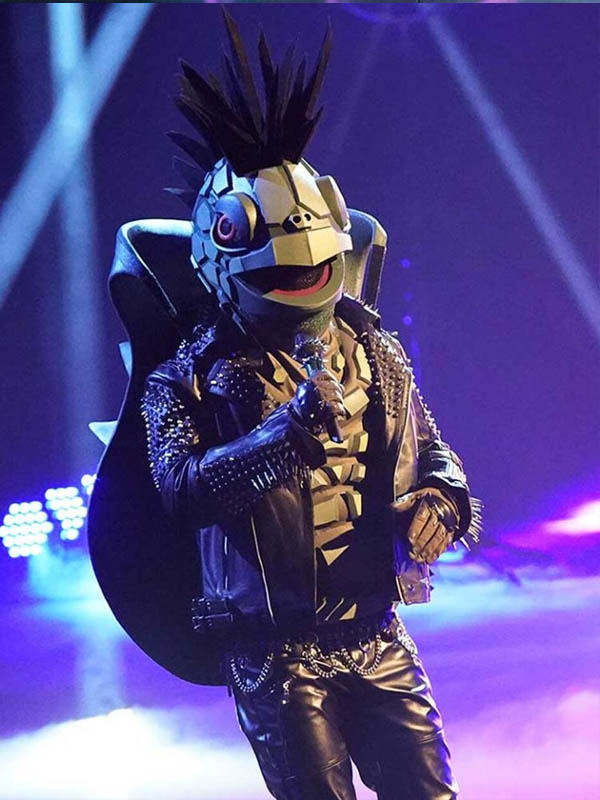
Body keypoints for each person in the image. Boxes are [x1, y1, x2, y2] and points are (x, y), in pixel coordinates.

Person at [89, 12, 481, 800]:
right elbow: (183, 490)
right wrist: (280, 439)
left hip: (377, 633)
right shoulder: (189, 378)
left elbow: (430, 447)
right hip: (277, 654)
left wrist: (445, 499)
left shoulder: (374, 350)